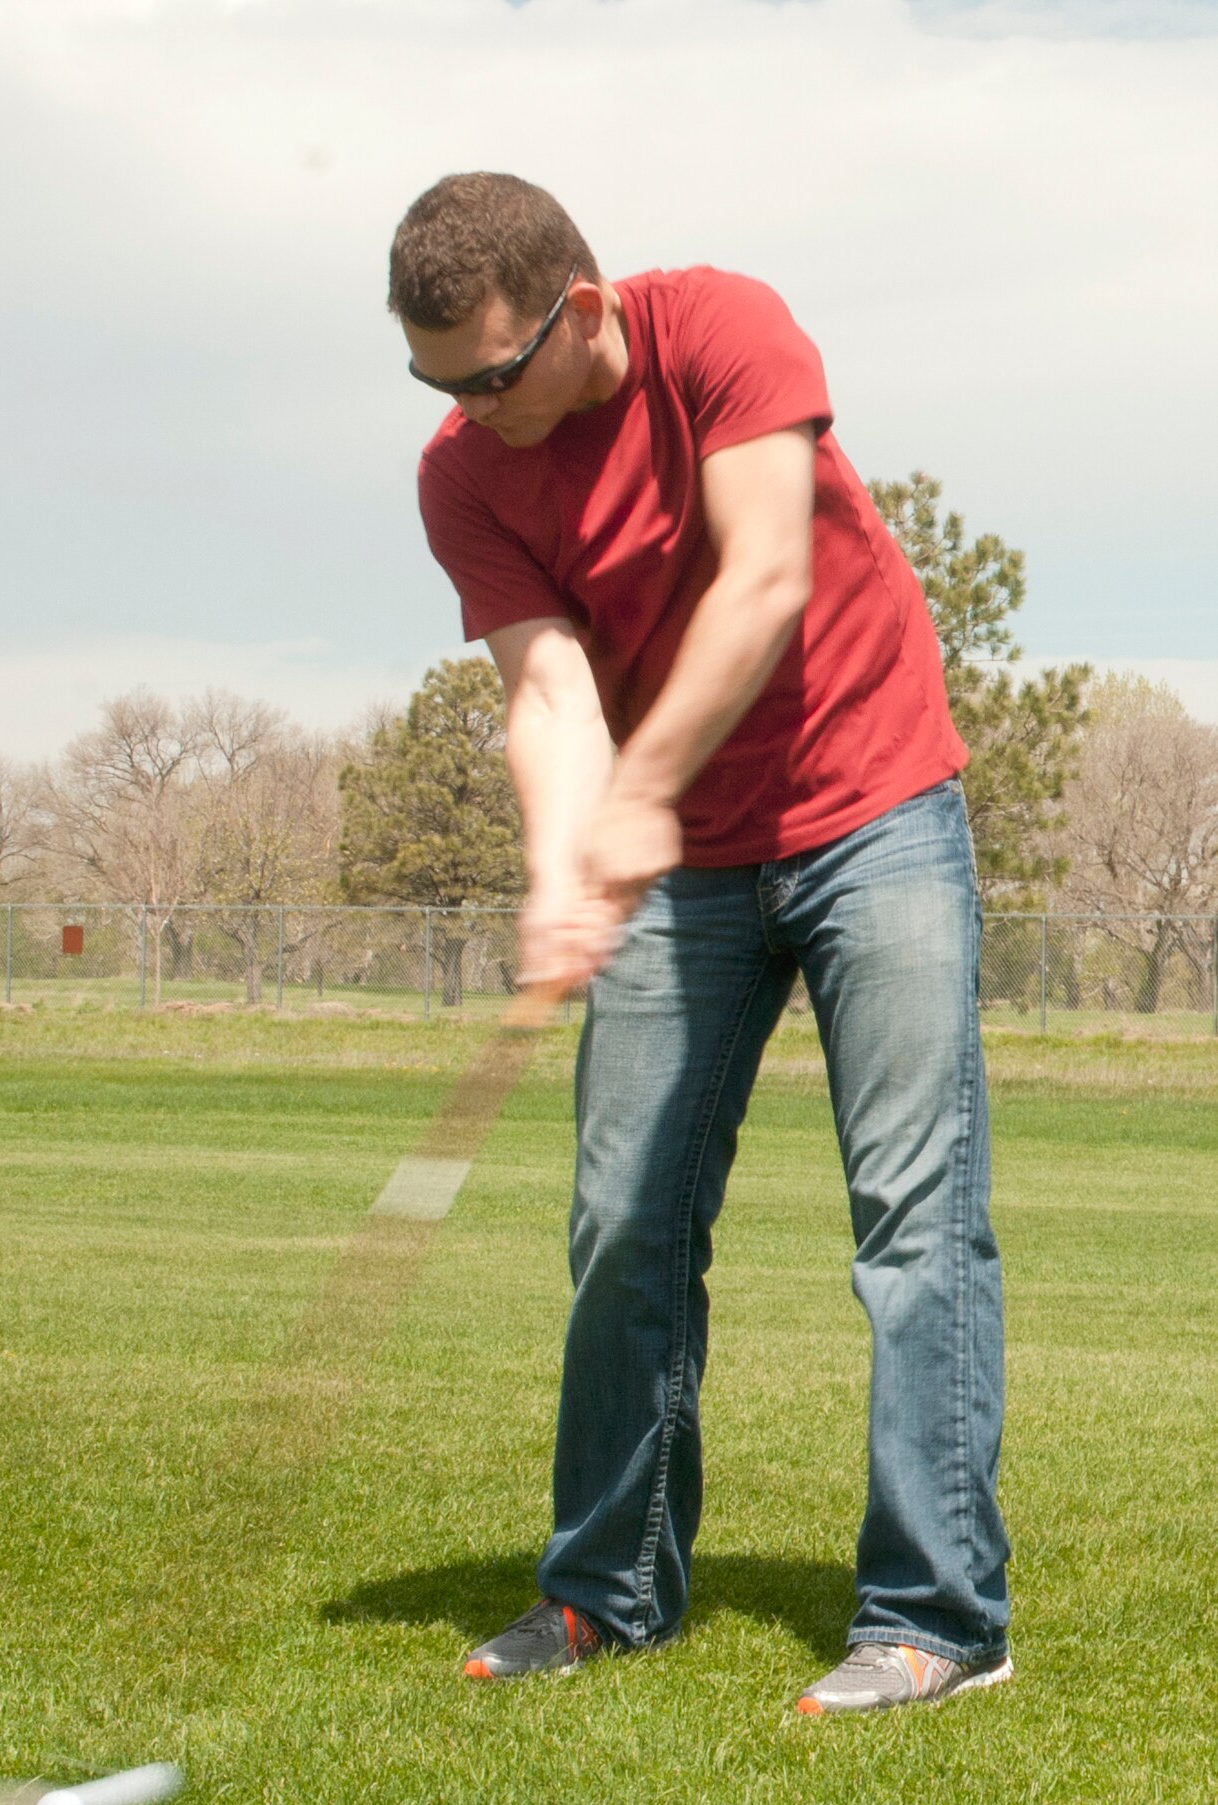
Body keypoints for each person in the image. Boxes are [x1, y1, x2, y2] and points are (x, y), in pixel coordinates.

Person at [387, 171, 1012, 1715]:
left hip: (875, 810)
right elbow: (547, 692)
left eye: (490, 374)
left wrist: (641, 795)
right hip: (688, 871)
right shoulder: (465, 473)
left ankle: (938, 1619)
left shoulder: (722, 331)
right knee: (622, 1223)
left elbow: (766, 578)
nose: (469, 408)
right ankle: (610, 1590)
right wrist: (561, 862)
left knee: (914, 1222)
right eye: (435, 382)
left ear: (580, 312)